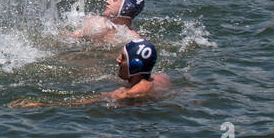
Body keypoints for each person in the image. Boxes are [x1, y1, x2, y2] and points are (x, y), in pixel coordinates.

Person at [13, 39, 170, 107]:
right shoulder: (161, 78)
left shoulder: (125, 94)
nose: (117, 60)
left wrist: (40, 104)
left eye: (122, 57)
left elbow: (85, 102)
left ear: (135, 66)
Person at [72, 0, 144, 43]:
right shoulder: (96, 23)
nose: (107, 1)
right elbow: (71, 38)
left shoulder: (132, 39)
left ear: (126, 8)